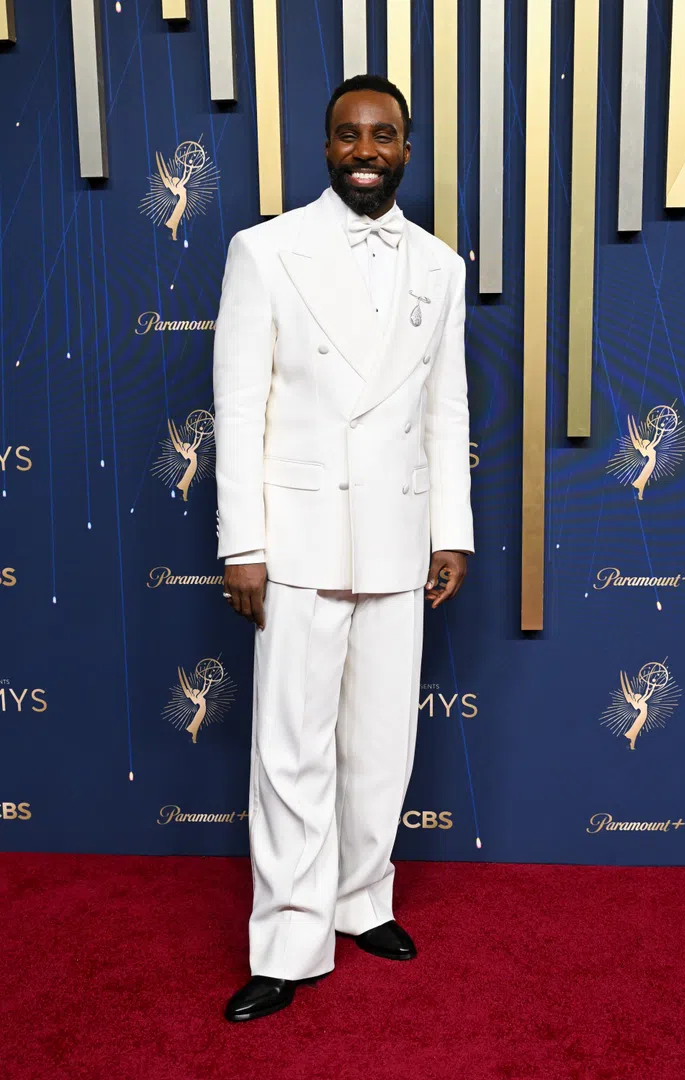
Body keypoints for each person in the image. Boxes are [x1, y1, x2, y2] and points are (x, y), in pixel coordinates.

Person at [213, 73, 474, 1022]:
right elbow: (239, 410)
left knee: (381, 743)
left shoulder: (440, 267)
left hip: (400, 538)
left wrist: (453, 530)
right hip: (298, 539)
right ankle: (288, 935)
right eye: (348, 135)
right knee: (290, 751)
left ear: (407, 148)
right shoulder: (265, 250)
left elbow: (446, 409)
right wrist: (243, 543)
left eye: (384, 135)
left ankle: (363, 900)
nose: (367, 150)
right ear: (325, 148)